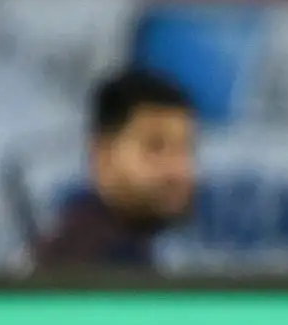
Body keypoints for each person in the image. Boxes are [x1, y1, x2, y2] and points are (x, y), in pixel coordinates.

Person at [31, 67, 197, 269]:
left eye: (185, 148)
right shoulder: (94, 259)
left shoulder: (137, 245)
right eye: (155, 147)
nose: (177, 169)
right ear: (103, 156)